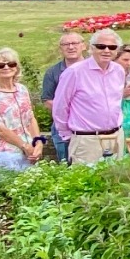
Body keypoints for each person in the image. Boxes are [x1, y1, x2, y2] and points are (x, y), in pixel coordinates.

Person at [54, 29, 130, 164]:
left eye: (111, 47)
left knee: (116, 181)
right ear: (91, 48)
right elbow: (60, 106)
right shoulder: (74, 72)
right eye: (101, 46)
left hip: (116, 137)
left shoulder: (119, 70)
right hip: (87, 140)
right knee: (86, 183)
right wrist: (67, 136)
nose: (106, 50)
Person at [0, 47, 44, 171]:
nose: (6, 67)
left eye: (11, 64)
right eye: (0, 65)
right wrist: (24, 146)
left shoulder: (22, 89)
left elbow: (30, 118)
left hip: (30, 153)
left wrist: (38, 143)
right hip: (5, 153)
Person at [41, 32, 85, 163]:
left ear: (84, 46)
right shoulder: (53, 72)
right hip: (62, 128)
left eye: (74, 43)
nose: (70, 47)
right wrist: (69, 112)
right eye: (66, 44)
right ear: (61, 49)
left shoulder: (93, 69)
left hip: (88, 127)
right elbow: (47, 100)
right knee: (66, 165)